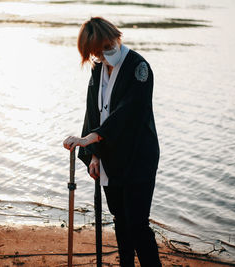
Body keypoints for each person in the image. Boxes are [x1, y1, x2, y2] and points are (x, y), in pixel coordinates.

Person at [63, 17, 161, 267]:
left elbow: (128, 113)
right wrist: (94, 153)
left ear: (116, 37)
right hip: (109, 157)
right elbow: (93, 113)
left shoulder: (139, 68)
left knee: (138, 224)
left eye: (106, 48)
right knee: (119, 219)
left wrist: (89, 139)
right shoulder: (99, 68)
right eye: (96, 53)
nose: (103, 55)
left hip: (138, 156)